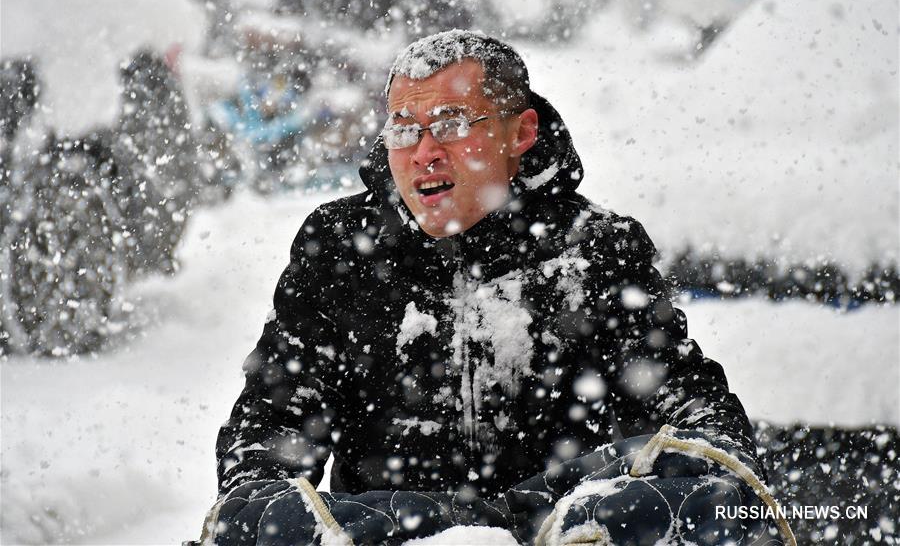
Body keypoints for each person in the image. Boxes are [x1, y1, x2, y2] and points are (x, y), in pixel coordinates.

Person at [209, 30, 766, 542]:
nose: (424, 151)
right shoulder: (340, 248)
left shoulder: (595, 251)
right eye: (405, 127)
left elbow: (700, 426)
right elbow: (272, 428)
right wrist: (275, 512)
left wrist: (607, 509)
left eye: (452, 123)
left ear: (520, 133)